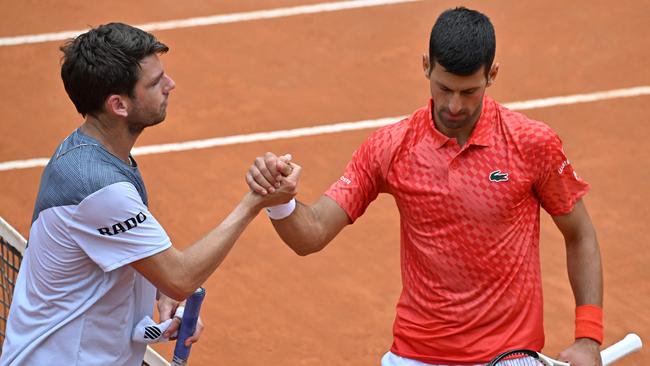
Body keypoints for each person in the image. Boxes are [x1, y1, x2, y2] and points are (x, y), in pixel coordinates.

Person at [246, 7, 603, 366]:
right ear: (425, 66)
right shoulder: (391, 147)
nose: (454, 105)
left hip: (509, 355)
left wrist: (588, 337)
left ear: (492, 75)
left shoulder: (531, 143)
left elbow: (580, 234)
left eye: (469, 92)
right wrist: (281, 203)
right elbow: (313, 234)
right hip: (416, 355)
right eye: (444, 88)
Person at [0, 23, 294, 365]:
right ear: (119, 105)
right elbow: (180, 276)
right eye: (155, 83)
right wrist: (254, 202)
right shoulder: (99, 187)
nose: (170, 86)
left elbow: (128, 256)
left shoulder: (94, 154)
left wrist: (159, 291)